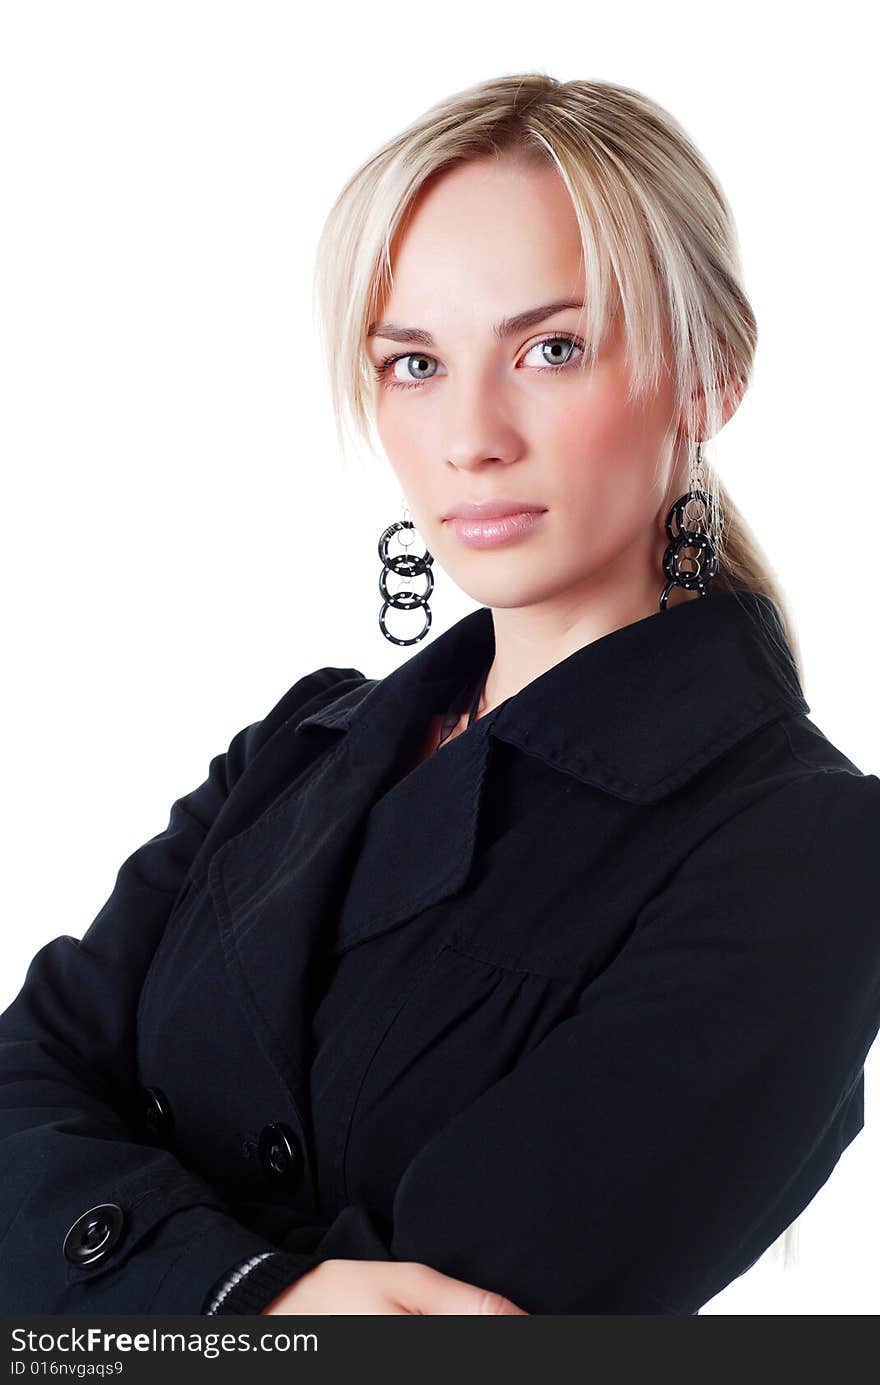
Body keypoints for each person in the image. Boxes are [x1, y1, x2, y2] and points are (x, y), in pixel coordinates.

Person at [1, 72, 878, 1318]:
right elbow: (20, 1077)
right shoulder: (297, 748)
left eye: (551, 347)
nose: (470, 433)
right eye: (414, 362)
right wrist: (256, 1299)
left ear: (709, 377)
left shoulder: (804, 850)